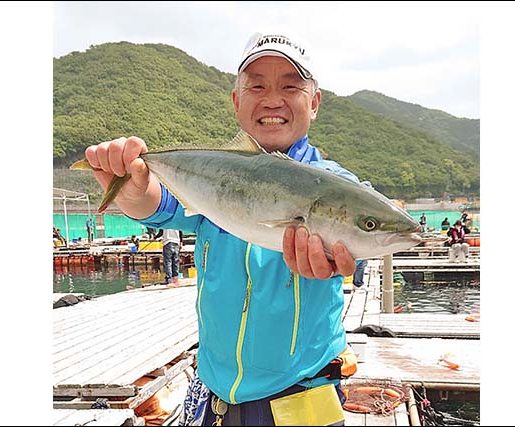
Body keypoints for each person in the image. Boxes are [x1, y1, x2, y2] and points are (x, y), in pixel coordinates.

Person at [81, 32, 360, 426]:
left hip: (301, 402)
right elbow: (157, 204)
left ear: (313, 102)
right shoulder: (213, 176)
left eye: (290, 86)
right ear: (236, 102)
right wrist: (132, 189)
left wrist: (340, 257)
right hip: (214, 401)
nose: (273, 99)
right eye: (257, 86)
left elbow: (361, 230)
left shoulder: (336, 186)